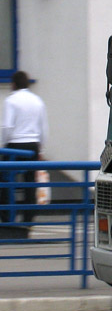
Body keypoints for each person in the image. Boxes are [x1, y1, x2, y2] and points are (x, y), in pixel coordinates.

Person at [2, 71, 48, 224]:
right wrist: (41, 150)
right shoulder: (37, 101)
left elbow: (7, 126)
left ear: (14, 84)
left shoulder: (11, 101)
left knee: (6, 182)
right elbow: (43, 128)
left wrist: (3, 145)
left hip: (14, 144)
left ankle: (7, 217)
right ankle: (28, 218)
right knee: (30, 183)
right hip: (32, 145)